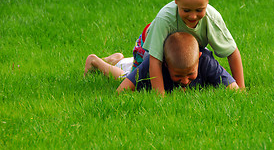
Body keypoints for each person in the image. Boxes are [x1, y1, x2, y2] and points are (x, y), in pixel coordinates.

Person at [134, 0, 245, 95]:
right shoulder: (164, 19)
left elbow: (232, 52)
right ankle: (110, 66)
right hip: (148, 48)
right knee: (136, 78)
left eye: (199, 10)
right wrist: (160, 97)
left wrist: (241, 89)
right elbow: (154, 60)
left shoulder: (212, 18)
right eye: (186, 10)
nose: (193, 16)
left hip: (182, 56)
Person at [84, 32, 239, 94]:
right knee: (124, 75)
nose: (185, 81)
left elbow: (234, 89)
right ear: (165, 64)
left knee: (127, 65)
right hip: (143, 54)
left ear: (198, 58)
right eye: (178, 75)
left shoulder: (205, 61)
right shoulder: (154, 64)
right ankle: (96, 61)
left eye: (190, 74)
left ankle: (117, 59)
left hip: (137, 60)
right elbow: (121, 91)